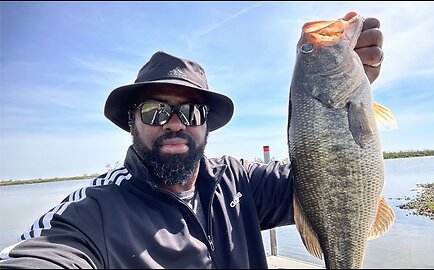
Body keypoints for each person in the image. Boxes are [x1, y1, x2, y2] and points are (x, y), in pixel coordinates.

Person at [0, 13, 384, 269]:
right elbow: (48, 253)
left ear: (206, 125)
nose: (174, 123)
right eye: (154, 110)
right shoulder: (95, 212)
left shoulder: (240, 182)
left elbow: (326, 181)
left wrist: (348, 98)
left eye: (191, 112)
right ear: (131, 119)